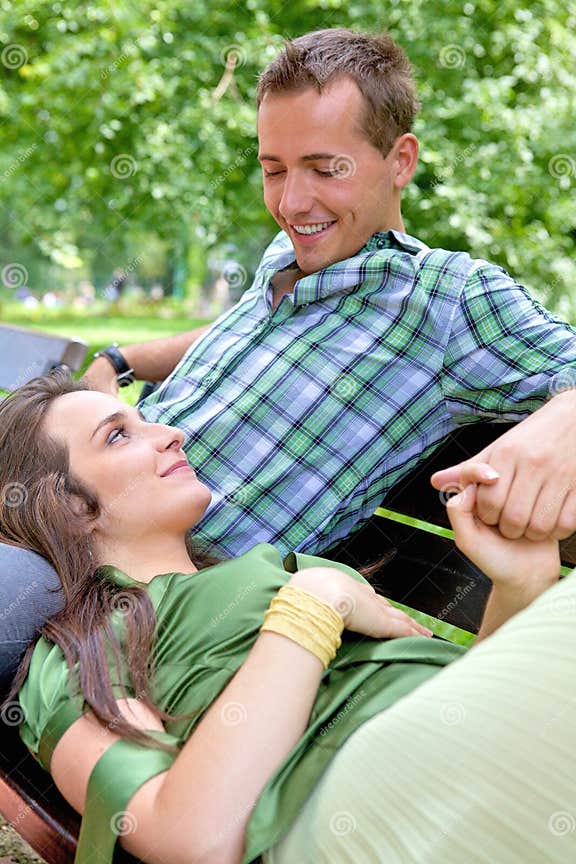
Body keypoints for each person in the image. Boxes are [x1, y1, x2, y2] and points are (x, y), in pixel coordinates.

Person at [3, 26, 576, 680]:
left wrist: (561, 422)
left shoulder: (447, 302)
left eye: (325, 169)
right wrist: (122, 359)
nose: (292, 202)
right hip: (57, 526)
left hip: (141, 611)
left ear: (402, 160)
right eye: (273, 170)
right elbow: (239, 338)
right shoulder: (290, 259)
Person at [0, 371, 571, 864]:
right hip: (350, 802)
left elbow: (453, 703)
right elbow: (190, 837)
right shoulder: (80, 649)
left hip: (454, 771)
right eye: (119, 435)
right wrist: (314, 604)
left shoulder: (284, 567)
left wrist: (520, 585)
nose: (171, 433)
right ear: (67, 505)